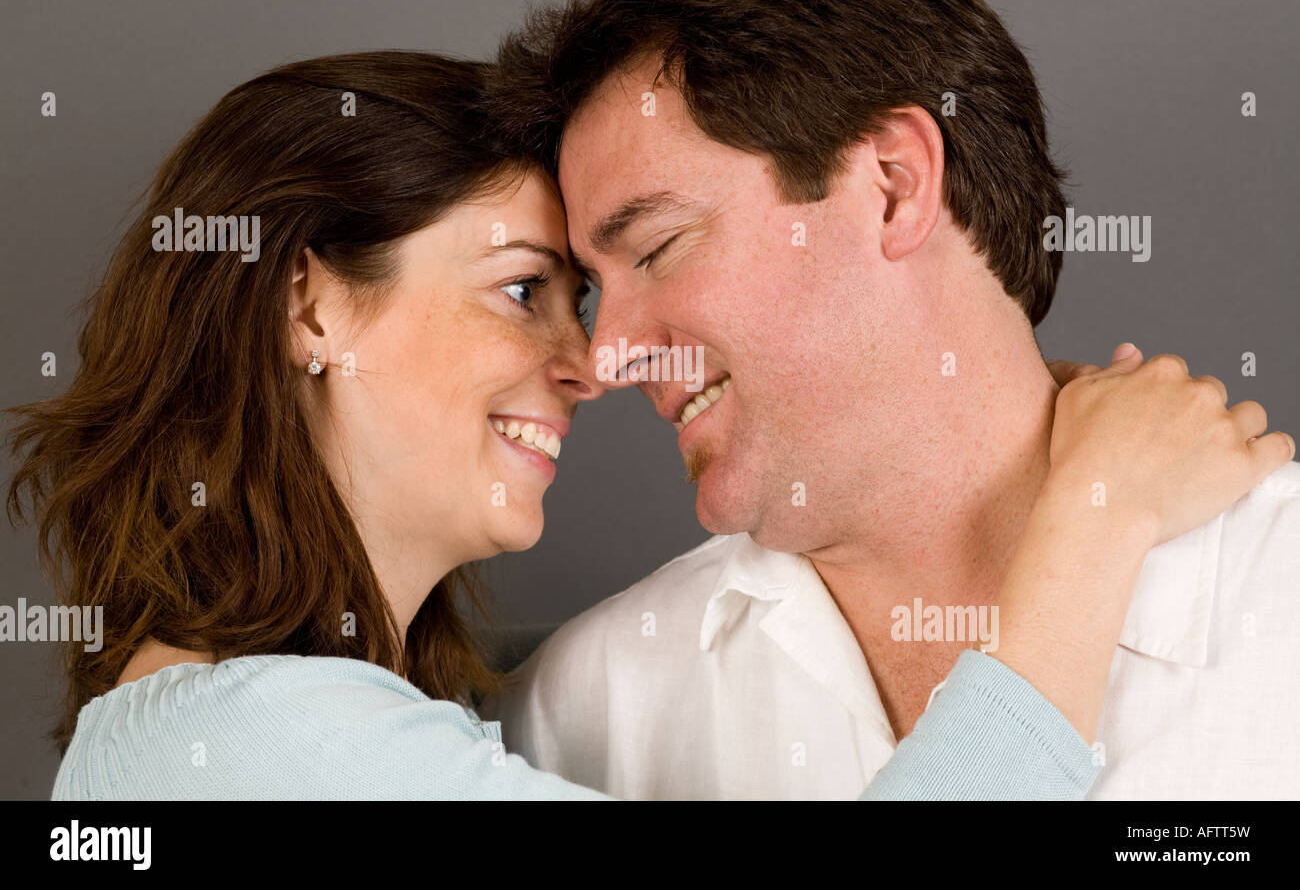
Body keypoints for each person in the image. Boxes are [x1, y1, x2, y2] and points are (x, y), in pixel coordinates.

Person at [6, 52, 1287, 801]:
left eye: (592, 294)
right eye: (522, 288)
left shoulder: (452, 727)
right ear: (313, 303)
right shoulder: (243, 748)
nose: (593, 364)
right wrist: (1092, 509)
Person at [483, 0, 1300, 799]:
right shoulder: (581, 720)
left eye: (657, 247)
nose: (607, 355)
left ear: (894, 185)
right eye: (590, 295)